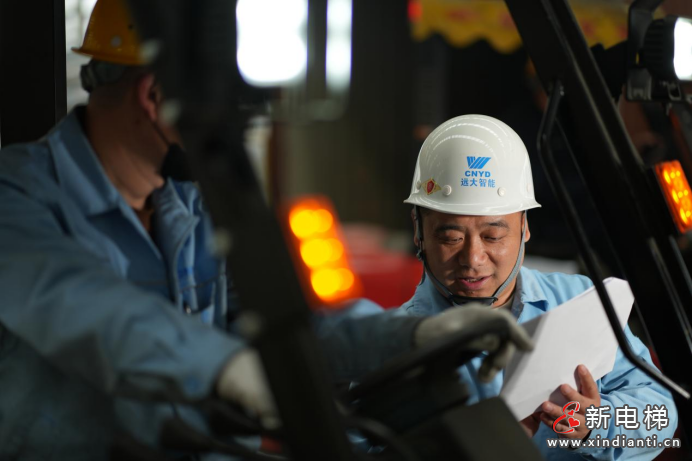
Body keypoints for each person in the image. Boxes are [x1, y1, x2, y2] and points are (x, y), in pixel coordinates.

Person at [0, 1, 531, 458]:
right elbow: (88, 309)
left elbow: (289, 328)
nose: (227, 136)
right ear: (156, 96)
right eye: (221, 114)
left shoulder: (193, 207)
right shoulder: (17, 197)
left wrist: (413, 335)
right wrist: (225, 368)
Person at [400, 114, 678, 460]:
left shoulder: (579, 303)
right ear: (419, 231)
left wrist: (597, 423)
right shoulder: (390, 348)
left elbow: (661, 412)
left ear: (524, 227)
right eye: (452, 237)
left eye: (493, 236)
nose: (473, 258)